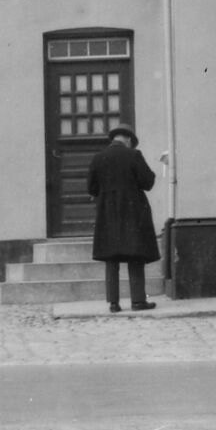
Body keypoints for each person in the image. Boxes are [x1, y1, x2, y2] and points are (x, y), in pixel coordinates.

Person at [87, 124, 160, 312]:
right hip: (133, 211)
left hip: (108, 213)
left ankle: (113, 303)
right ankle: (138, 301)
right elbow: (148, 182)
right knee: (135, 255)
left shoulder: (98, 158)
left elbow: (91, 188)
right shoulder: (134, 155)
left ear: (114, 139)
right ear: (128, 139)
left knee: (111, 258)